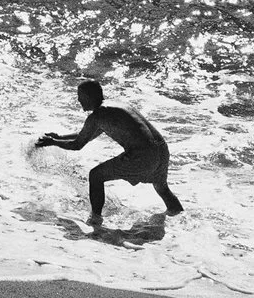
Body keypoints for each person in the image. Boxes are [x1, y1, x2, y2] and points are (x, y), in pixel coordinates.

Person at [35, 80, 182, 222]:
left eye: (80, 97)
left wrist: (53, 142)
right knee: (161, 187)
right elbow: (86, 135)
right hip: (161, 150)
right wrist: (59, 137)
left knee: (96, 175)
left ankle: (96, 219)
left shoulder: (97, 115)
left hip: (142, 155)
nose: (79, 101)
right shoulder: (114, 106)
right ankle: (181, 218)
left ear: (88, 97)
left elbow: (77, 145)